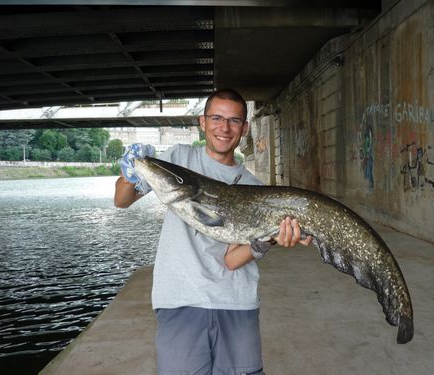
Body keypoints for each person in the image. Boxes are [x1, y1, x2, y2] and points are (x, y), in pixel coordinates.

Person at [114, 89, 312, 375]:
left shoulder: (253, 187)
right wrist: (129, 174)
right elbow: (122, 201)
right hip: (180, 301)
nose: (224, 127)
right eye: (216, 118)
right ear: (202, 122)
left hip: (237, 303)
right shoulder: (177, 159)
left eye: (234, 121)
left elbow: (231, 260)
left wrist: (269, 238)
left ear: (244, 129)